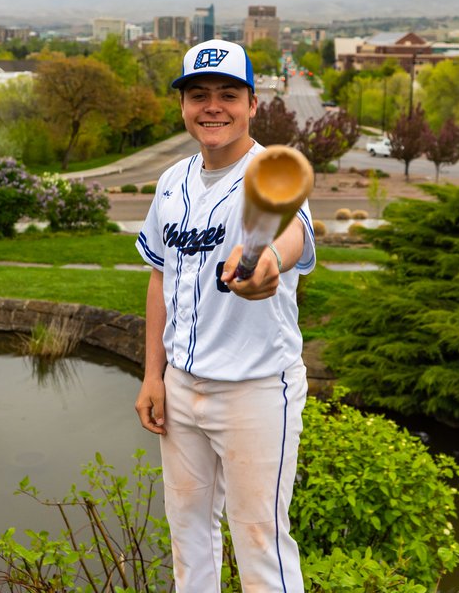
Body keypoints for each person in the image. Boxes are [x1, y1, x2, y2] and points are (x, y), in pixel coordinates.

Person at [134, 39, 315, 592]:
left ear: (253, 104)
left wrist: (267, 270)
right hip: (183, 388)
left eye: (228, 94)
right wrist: (152, 375)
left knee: (261, 544)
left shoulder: (271, 173)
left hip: (255, 390)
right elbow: (160, 276)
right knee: (188, 535)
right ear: (184, 106)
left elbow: (291, 236)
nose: (213, 106)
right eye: (199, 94)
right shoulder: (171, 181)